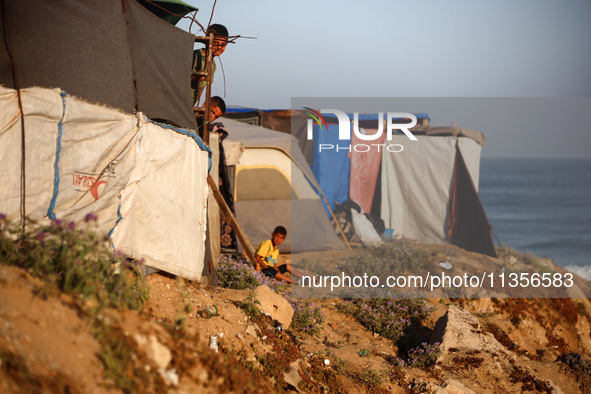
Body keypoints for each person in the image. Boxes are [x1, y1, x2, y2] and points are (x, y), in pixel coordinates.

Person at [191, 24, 229, 106]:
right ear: (207, 41)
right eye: (216, 43)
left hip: (189, 104)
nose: (219, 47)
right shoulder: (196, 55)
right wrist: (198, 77)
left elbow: (202, 89)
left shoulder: (213, 65)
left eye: (223, 45)